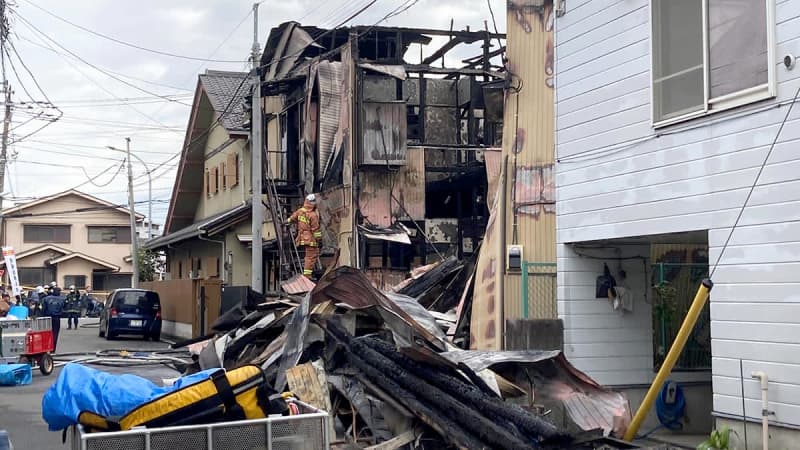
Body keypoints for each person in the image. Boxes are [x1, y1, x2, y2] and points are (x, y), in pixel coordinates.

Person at [286, 193, 323, 279]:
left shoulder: (300, 211)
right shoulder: (313, 215)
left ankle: (307, 274)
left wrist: (285, 222)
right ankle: (307, 276)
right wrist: (319, 239)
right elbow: (315, 229)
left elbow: (292, 218)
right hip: (310, 239)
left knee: (308, 257)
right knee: (311, 257)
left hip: (302, 237)